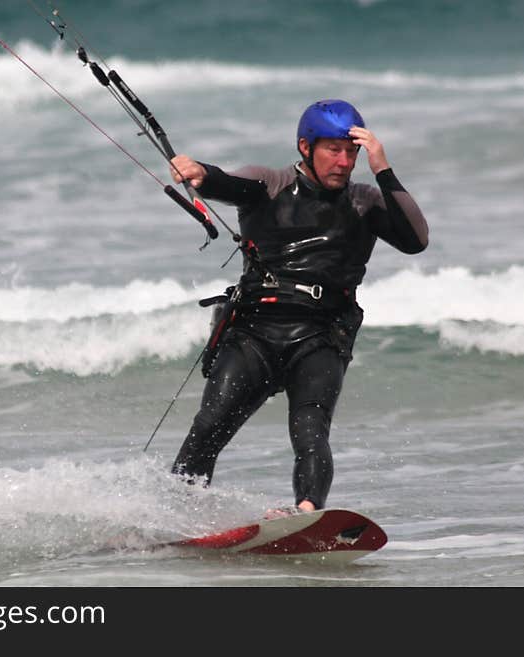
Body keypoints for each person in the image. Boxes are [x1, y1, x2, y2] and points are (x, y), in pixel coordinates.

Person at [168, 99, 429, 514]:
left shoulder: (365, 201)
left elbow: (416, 240)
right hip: (253, 332)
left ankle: (306, 514)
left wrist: (383, 169)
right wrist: (200, 172)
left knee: (311, 432)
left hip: (321, 337)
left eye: (352, 152)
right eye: (333, 150)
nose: (344, 162)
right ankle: (175, 513)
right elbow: (226, 183)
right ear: (306, 147)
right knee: (209, 425)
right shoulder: (268, 185)